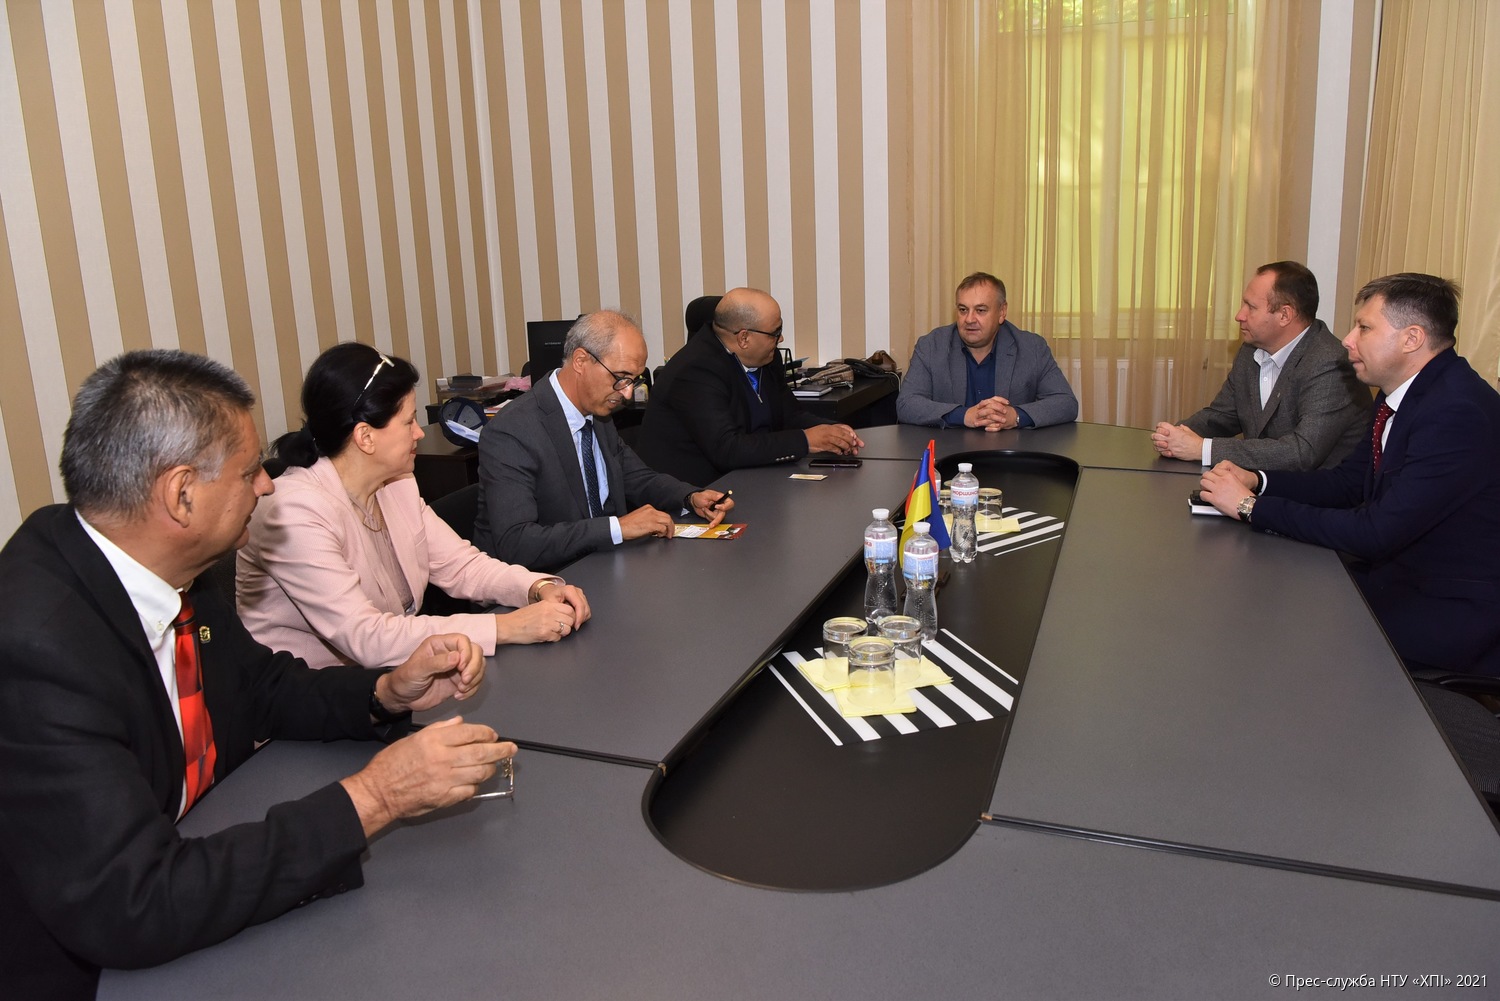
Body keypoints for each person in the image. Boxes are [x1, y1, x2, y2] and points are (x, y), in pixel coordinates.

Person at [0, 350, 514, 999]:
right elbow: (134, 902)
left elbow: (263, 688)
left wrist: (385, 691)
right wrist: (376, 798)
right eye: (249, 473)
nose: (267, 487)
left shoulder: (166, 568)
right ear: (181, 494)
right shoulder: (37, 649)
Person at [1199, 274, 1500, 675]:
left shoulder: (1456, 412)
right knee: (1263, 597)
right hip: (1399, 578)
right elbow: (1346, 483)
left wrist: (1250, 507)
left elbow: (1375, 532)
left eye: (1364, 327)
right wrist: (1257, 479)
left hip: (1450, 609)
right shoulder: (1404, 392)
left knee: (1280, 635)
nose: (1347, 339)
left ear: (1411, 339)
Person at [237, 343, 590, 670]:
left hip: (394, 675)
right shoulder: (294, 511)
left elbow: (461, 566)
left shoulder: (397, 483)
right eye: (408, 422)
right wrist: (506, 627)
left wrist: (536, 587)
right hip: (313, 697)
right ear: (365, 436)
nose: (419, 433)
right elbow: (368, 637)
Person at [473, 310, 734, 572]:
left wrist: (689, 497)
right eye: (620, 378)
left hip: (601, 565)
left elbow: (635, 477)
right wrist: (617, 528)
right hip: (544, 580)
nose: (627, 393)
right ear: (581, 360)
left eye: (633, 380)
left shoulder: (597, 414)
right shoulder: (512, 431)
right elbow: (517, 543)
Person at [1152, 261, 1371, 470]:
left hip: (1314, 492)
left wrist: (1202, 449)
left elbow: (1301, 453)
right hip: (1259, 482)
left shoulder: (1331, 364)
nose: (1239, 315)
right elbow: (1223, 415)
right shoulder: (1251, 350)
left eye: (1251, 307)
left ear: (1284, 315)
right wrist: (1173, 436)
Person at [635, 287, 864, 486]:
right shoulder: (695, 371)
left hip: (752, 481)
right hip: (694, 494)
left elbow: (790, 415)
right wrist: (805, 441)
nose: (781, 339)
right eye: (775, 333)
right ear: (744, 338)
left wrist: (833, 432)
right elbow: (727, 449)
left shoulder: (767, 358)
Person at [896, 271, 1078, 430]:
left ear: (1002, 312)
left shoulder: (1031, 348)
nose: (969, 319)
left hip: (1011, 451)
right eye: (963, 310)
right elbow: (906, 404)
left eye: (980, 310)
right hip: (950, 451)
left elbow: (1066, 403)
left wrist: (1014, 416)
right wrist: (965, 416)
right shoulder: (931, 346)